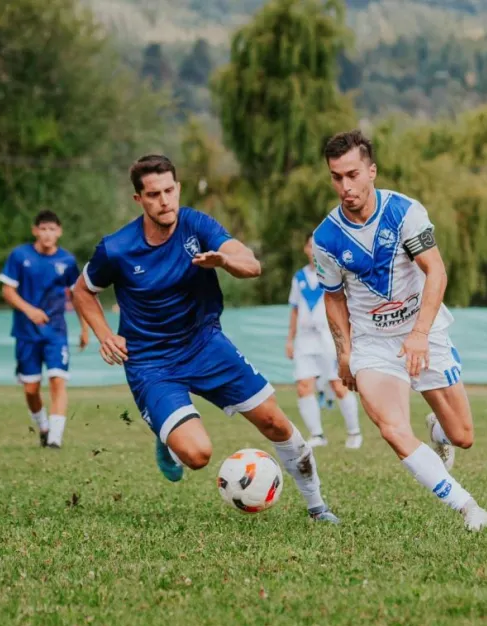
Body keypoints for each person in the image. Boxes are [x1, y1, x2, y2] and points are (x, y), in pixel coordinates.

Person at [71, 154, 339, 524]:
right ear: (139, 199)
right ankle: (168, 435)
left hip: (205, 345)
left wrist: (225, 262)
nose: (164, 201)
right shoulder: (116, 248)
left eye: (169, 191)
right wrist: (104, 335)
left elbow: (251, 263)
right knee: (197, 455)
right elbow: (82, 291)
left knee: (276, 423)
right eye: (153, 194)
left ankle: (317, 507)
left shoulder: (196, 226)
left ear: (178, 188)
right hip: (151, 363)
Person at [312, 130, 487, 532]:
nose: (345, 186)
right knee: (392, 429)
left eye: (353, 174)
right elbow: (334, 298)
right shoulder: (325, 239)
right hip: (373, 346)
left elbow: (437, 271)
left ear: (371, 172)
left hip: (422, 332)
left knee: (462, 435)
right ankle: (468, 508)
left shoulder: (406, 212)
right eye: (336, 177)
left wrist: (419, 334)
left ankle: (438, 428)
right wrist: (345, 354)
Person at [0, 210, 89, 449]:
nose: (48, 234)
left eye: (52, 229)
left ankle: (55, 440)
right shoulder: (20, 256)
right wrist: (30, 311)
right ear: (35, 231)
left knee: (58, 381)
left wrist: (84, 328)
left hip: (56, 332)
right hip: (26, 333)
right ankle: (43, 427)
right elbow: (7, 291)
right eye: (43, 229)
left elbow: (77, 296)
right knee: (31, 389)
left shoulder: (67, 261)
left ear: (59, 232)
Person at [286, 232, 362, 449]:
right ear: (305, 249)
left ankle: (354, 432)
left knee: (338, 384)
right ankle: (317, 434)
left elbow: (346, 306)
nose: (313, 251)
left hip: (329, 337)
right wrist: (289, 340)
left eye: (317, 247)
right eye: (310, 246)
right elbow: (294, 309)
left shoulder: (334, 274)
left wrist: (348, 337)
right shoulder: (299, 278)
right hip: (304, 339)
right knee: (303, 385)